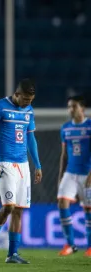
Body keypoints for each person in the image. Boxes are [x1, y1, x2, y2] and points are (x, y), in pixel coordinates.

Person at [0, 79, 42, 264]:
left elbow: (31, 138)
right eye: (25, 99)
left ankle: (12, 254)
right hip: (4, 163)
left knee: (19, 211)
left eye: (30, 100)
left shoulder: (29, 111)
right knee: (9, 207)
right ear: (16, 94)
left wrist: (37, 165)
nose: (27, 103)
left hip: (23, 165)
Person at [57, 95, 91, 257]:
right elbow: (64, 155)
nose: (71, 109)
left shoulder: (90, 126)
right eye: (69, 106)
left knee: (88, 210)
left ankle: (90, 247)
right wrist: (60, 176)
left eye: (74, 106)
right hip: (70, 172)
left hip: (87, 173)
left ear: (82, 109)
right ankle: (70, 244)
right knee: (62, 202)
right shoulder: (65, 128)